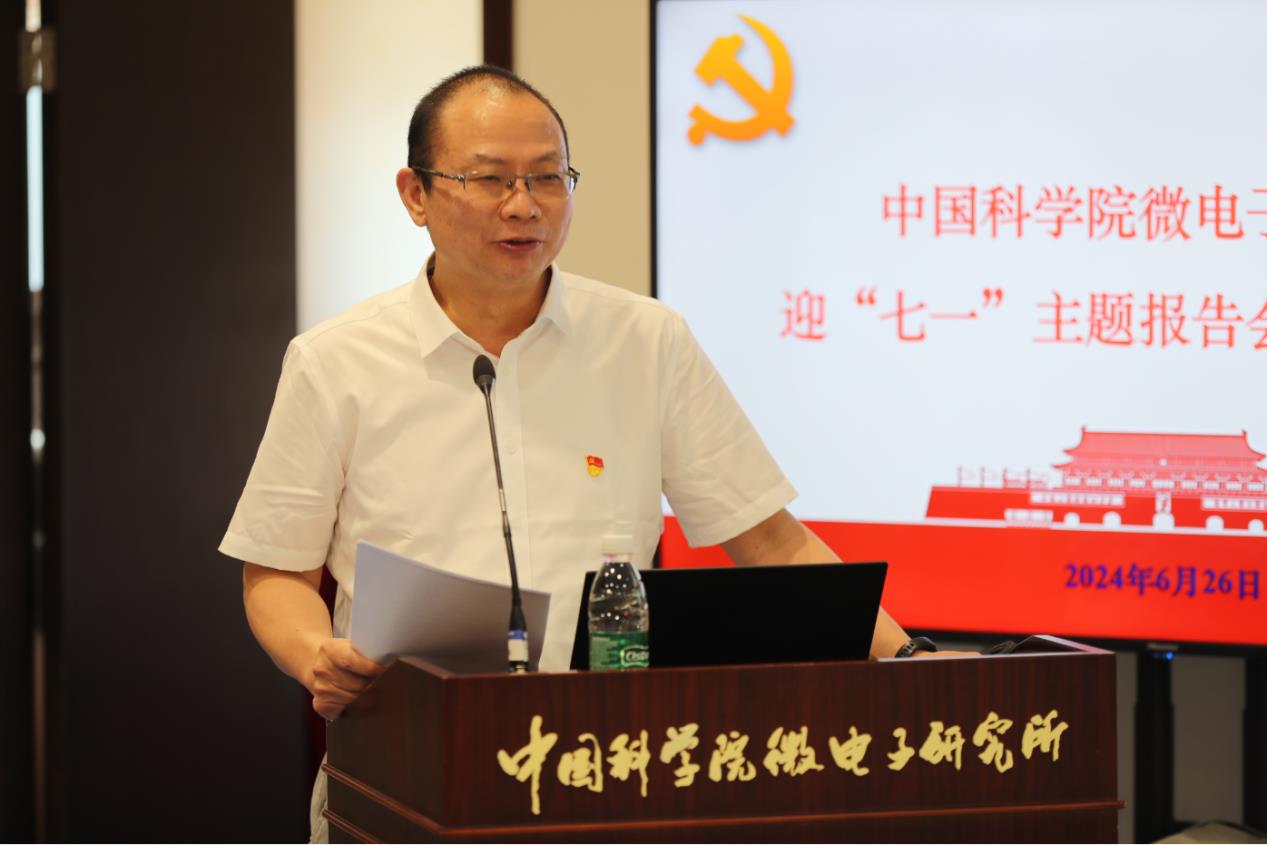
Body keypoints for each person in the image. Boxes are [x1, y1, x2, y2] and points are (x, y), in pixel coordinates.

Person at [220, 65, 947, 840]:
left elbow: (769, 539)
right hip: (403, 761)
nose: (523, 205)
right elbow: (277, 571)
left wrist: (908, 658)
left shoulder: (644, 341)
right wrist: (316, 654)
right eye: (489, 178)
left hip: (602, 766)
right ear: (415, 193)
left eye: (547, 177)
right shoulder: (336, 359)